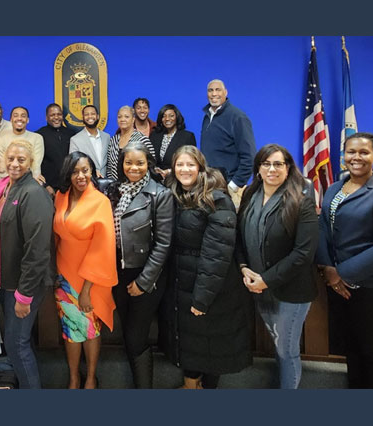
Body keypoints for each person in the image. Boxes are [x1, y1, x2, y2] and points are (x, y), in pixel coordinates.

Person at [316, 132, 373, 389]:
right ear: (343, 156)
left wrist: (339, 274)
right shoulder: (335, 188)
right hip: (343, 289)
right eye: (351, 152)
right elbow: (323, 229)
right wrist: (328, 268)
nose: (356, 157)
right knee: (353, 353)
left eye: (364, 152)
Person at [164, 145, 251, 389]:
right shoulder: (173, 193)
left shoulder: (217, 199)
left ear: (201, 167)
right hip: (183, 281)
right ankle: (191, 386)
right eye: (180, 164)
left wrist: (202, 298)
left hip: (211, 288)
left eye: (190, 164)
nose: (184, 169)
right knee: (193, 342)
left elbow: (217, 255)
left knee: (211, 346)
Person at [236, 144, 318, 389]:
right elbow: (239, 236)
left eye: (278, 164)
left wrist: (266, 279)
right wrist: (243, 267)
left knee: (286, 350)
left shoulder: (300, 201)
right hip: (260, 288)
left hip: (290, 291)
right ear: (258, 168)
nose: (272, 169)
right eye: (266, 164)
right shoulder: (251, 194)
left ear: (288, 168)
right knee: (277, 345)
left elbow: (304, 253)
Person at [105, 143, 173, 388]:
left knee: (135, 337)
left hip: (146, 275)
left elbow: (164, 244)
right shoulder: (113, 191)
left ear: (149, 165)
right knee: (128, 335)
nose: (134, 167)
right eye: (128, 162)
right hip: (118, 273)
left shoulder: (160, 194)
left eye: (140, 163)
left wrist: (144, 282)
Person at [0, 140, 54, 389]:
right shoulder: (7, 188)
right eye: (11, 158)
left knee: (16, 344)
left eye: (21, 160)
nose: (15, 164)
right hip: (6, 280)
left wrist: (24, 295)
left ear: (31, 163)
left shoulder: (33, 193)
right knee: (19, 341)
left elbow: (37, 250)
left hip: (23, 285)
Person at [53, 151, 117, 389]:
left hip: (90, 277)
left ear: (92, 172)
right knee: (70, 329)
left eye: (85, 170)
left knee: (90, 329)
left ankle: (90, 377)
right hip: (64, 275)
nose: (80, 176)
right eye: (75, 171)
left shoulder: (100, 202)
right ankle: (73, 378)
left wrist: (88, 289)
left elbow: (103, 247)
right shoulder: (61, 196)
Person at [199, 79, 256, 208]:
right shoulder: (207, 117)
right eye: (210, 90)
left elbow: (250, 157)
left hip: (229, 190)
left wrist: (234, 185)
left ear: (226, 92)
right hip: (208, 188)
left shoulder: (238, 117)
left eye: (218, 90)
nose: (214, 94)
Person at [106, 105, 155, 181]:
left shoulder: (142, 139)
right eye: (119, 117)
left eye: (126, 117)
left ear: (133, 119)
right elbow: (109, 168)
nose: (122, 119)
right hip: (116, 186)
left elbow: (151, 165)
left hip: (138, 186)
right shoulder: (113, 140)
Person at [150, 104, 197, 182]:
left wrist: (169, 172)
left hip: (177, 180)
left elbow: (191, 163)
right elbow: (150, 159)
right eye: (164, 116)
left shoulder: (187, 136)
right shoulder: (154, 135)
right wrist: (155, 170)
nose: (167, 119)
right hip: (156, 181)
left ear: (177, 117)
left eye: (171, 116)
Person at [37, 103, 76, 193]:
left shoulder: (71, 134)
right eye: (52, 115)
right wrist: (46, 185)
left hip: (70, 186)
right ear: (46, 117)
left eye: (59, 114)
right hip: (49, 188)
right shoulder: (39, 135)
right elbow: (36, 163)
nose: (56, 117)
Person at [0, 107, 45, 180]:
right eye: (16, 115)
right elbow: (2, 166)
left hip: (31, 182)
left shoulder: (37, 138)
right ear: (11, 120)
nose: (19, 118)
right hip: (8, 183)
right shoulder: (2, 139)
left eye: (23, 116)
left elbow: (35, 165)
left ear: (27, 120)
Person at [69, 104, 110, 178]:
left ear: (97, 116)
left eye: (93, 114)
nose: (90, 116)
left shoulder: (106, 137)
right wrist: (92, 171)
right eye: (86, 114)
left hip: (106, 182)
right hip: (87, 182)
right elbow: (73, 164)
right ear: (83, 118)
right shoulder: (75, 140)